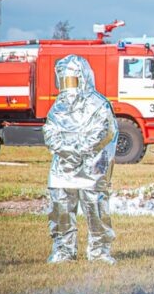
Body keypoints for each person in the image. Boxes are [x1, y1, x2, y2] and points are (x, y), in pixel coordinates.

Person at [43, 55, 118, 264]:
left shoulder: (99, 104)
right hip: (62, 168)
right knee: (60, 209)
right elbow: (50, 132)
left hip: (92, 168)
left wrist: (79, 151)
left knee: (95, 209)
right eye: (64, 80)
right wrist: (66, 152)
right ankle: (63, 250)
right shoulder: (58, 106)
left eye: (72, 80)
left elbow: (104, 132)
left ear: (83, 78)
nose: (69, 86)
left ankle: (99, 251)